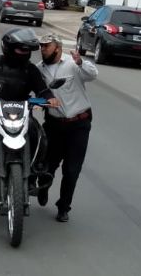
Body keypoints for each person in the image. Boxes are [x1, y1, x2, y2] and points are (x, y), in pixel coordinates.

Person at [0, 28, 60, 192]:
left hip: (21, 113)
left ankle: (33, 174)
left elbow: (42, 90)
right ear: (8, 47)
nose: (24, 53)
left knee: (39, 136)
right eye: (21, 49)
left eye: (27, 50)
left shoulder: (31, 69)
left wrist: (50, 98)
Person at [36, 33, 98, 222]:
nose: (43, 49)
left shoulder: (72, 63)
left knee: (72, 170)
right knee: (47, 165)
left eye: (47, 45)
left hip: (78, 124)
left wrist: (81, 62)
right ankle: (44, 186)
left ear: (58, 47)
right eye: (41, 46)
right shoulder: (39, 69)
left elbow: (92, 74)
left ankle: (64, 206)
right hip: (54, 125)